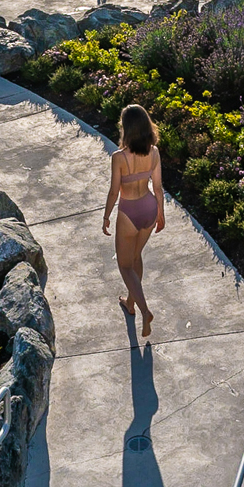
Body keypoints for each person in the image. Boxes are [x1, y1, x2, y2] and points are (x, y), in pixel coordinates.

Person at [102, 104, 165, 335]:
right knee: (136, 256)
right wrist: (161, 214)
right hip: (149, 208)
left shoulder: (119, 157)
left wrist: (106, 216)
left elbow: (113, 192)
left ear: (126, 129)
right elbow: (158, 188)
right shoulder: (154, 152)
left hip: (129, 212)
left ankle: (145, 310)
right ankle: (130, 302)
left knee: (124, 264)